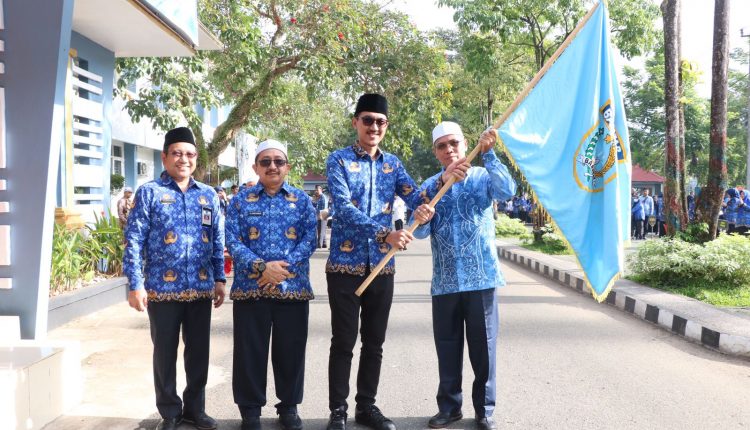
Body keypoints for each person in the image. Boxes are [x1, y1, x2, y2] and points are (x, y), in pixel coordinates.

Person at [324, 93, 434, 430]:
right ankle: (338, 411)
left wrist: (428, 203)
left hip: (382, 267)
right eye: (368, 120)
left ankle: (366, 406)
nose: (374, 126)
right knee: (344, 341)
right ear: (355, 122)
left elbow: (416, 197)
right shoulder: (338, 160)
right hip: (345, 266)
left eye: (380, 121)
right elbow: (342, 208)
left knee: (374, 342)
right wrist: (384, 233)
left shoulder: (393, 164)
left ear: (386, 126)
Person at [413, 122, 516, 430]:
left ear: (464, 143)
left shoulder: (483, 177)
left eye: (454, 143)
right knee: (447, 346)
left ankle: (484, 410)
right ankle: (449, 406)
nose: (450, 149)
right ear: (436, 152)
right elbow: (419, 232)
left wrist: (490, 153)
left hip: (481, 278)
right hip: (445, 281)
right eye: (442, 146)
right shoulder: (431, 186)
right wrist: (419, 217)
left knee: (484, 347)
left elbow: (508, 191)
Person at [123, 126, 226, 430]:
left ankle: (196, 409)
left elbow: (216, 240)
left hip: (200, 289)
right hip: (161, 290)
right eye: (177, 153)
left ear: (196, 159)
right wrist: (136, 284)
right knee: (165, 354)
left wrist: (220, 278)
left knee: (199, 354)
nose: (184, 159)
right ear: (165, 157)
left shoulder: (208, 195)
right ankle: (169, 412)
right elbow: (134, 240)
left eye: (190, 154)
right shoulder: (150, 192)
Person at [225, 139, 317, 430]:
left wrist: (280, 270)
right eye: (265, 162)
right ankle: (250, 412)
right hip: (251, 288)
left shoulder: (301, 200)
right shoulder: (240, 201)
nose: (272, 166)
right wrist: (262, 267)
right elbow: (232, 240)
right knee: (249, 352)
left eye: (278, 161)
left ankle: (288, 407)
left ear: (287, 166)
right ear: (255, 167)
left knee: (290, 351)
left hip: (293, 288)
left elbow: (309, 239)